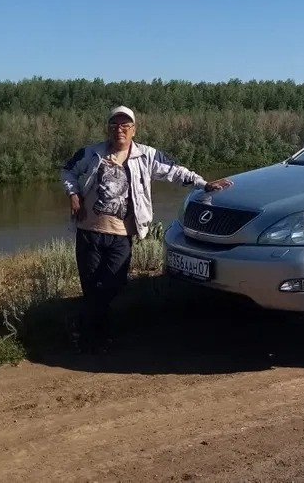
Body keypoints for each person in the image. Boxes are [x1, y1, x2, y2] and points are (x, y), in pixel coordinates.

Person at [60, 105, 233, 352]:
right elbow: (67, 170)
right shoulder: (91, 153)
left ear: (134, 130)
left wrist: (203, 184)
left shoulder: (146, 156)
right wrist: (73, 193)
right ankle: (96, 336)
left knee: (114, 283)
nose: (119, 130)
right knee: (92, 287)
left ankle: (77, 323)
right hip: (89, 232)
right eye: (115, 125)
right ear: (108, 129)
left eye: (125, 126)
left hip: (122, 234)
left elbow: (174, 171)